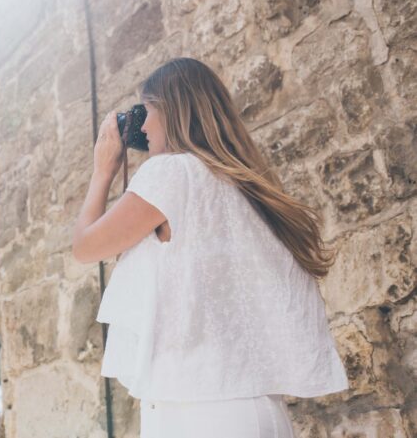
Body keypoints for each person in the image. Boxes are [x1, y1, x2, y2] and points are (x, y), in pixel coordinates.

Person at [71, 58, 349, 437]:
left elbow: (85, 247)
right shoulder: (246, 187)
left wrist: (103, 170)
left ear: (174, 111)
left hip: (199, 409)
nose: (144, 126)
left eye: (148, 111)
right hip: (254, 408)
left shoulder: (171, 173)